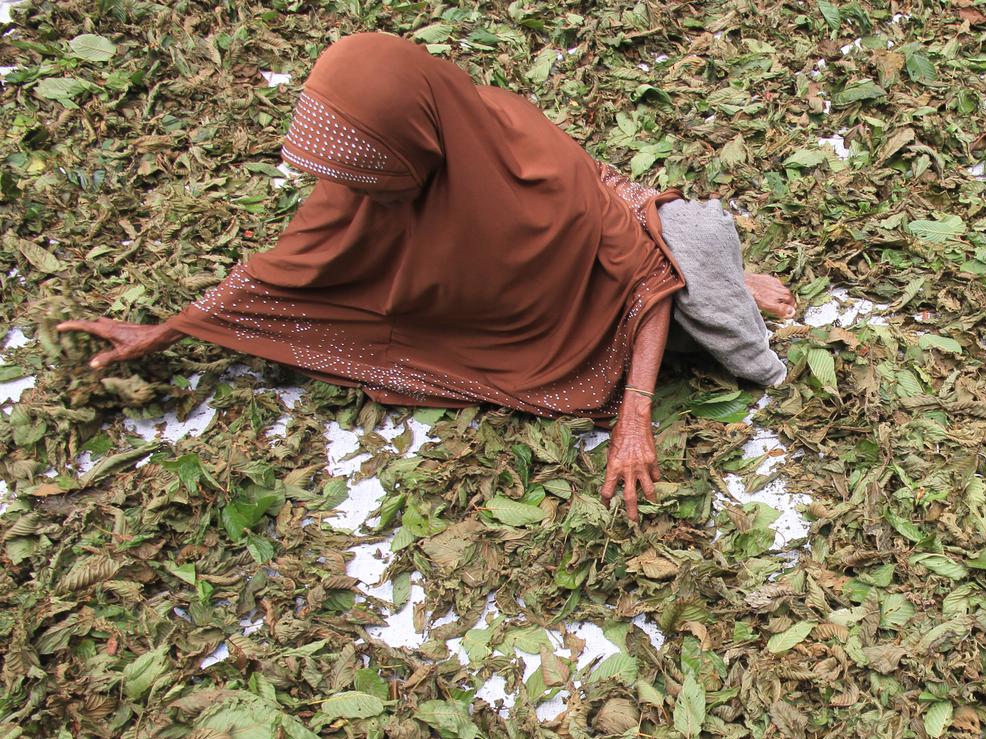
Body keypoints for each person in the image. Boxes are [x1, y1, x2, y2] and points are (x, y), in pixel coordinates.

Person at [58, 32, 794, 521]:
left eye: (375, 175)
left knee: (689, 250)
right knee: (402, 347)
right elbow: (285, 270)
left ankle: (726, 289)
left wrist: (634, 417)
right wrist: (169, 330)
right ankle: (715, 290)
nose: (356, 193)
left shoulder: (535, 163)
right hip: (501, 309)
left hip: (594, 282)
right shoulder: (369, 186)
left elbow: (639, 283)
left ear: (419, 140)